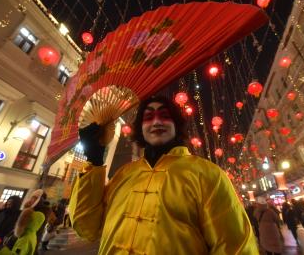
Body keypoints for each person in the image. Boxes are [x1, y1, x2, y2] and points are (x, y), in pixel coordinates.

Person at [69, 96, 258, 254]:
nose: (157, 121)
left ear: (176, 125)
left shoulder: (208, 174)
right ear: (140, 128)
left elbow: (237, 248)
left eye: (165, 116)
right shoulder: (123, 174)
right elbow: (87, 228)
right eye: (148, 117)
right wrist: (93, 160)